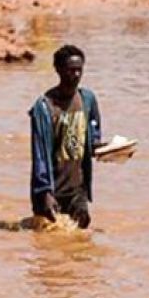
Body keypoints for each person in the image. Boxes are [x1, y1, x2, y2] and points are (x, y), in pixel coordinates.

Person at [29, 45, 101, 229]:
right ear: (58, 70)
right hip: (52, 190)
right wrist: (45, 192)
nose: (76, 75)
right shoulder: (44, 107)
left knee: (81, 235)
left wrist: (115, 151)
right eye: (71, 70)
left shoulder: (87, 100)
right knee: (48, 242)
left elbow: (92, 142)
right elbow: (39, 156)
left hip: (77, 188)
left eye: (79, 70)